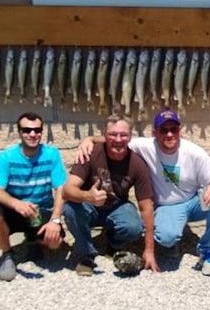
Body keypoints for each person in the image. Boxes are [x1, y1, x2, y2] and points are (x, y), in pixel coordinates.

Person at [77, 108, 210, 277]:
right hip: (169, 207)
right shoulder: (144, 146)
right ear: (154, 133)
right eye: (164, 130)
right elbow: (115, 139)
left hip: (194, 200)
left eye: (174, 129)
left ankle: (208, 251)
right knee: (166, 238)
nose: (169, 134)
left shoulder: (193, 151)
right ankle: (173, 239)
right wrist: (89, 139)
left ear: (180, 131)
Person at [63, 114, 159, 276]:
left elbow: (146, 206)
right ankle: (87, 254)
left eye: (123, 135)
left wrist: (149, 250)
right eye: (113, 134)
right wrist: (88, 196)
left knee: (133, 227)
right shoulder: (90, 153)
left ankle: (113, 244)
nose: (118, 139)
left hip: (117, 206)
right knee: (70, 209)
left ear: (130, 137)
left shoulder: (137, 163)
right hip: (89, 207)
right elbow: (67, 190)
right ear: (104, 135)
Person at [0, 112, 67, 282]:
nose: (32, 134)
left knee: (55, 243)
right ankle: (7, 255)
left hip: (39, 211)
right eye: (27, 130)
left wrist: (55, 220)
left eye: (37, 130)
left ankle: (34, 242)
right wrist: (17, 204)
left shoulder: (51, 154)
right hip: (14, 210)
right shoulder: (6, 157)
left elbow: (62, 189)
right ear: (19, 132)